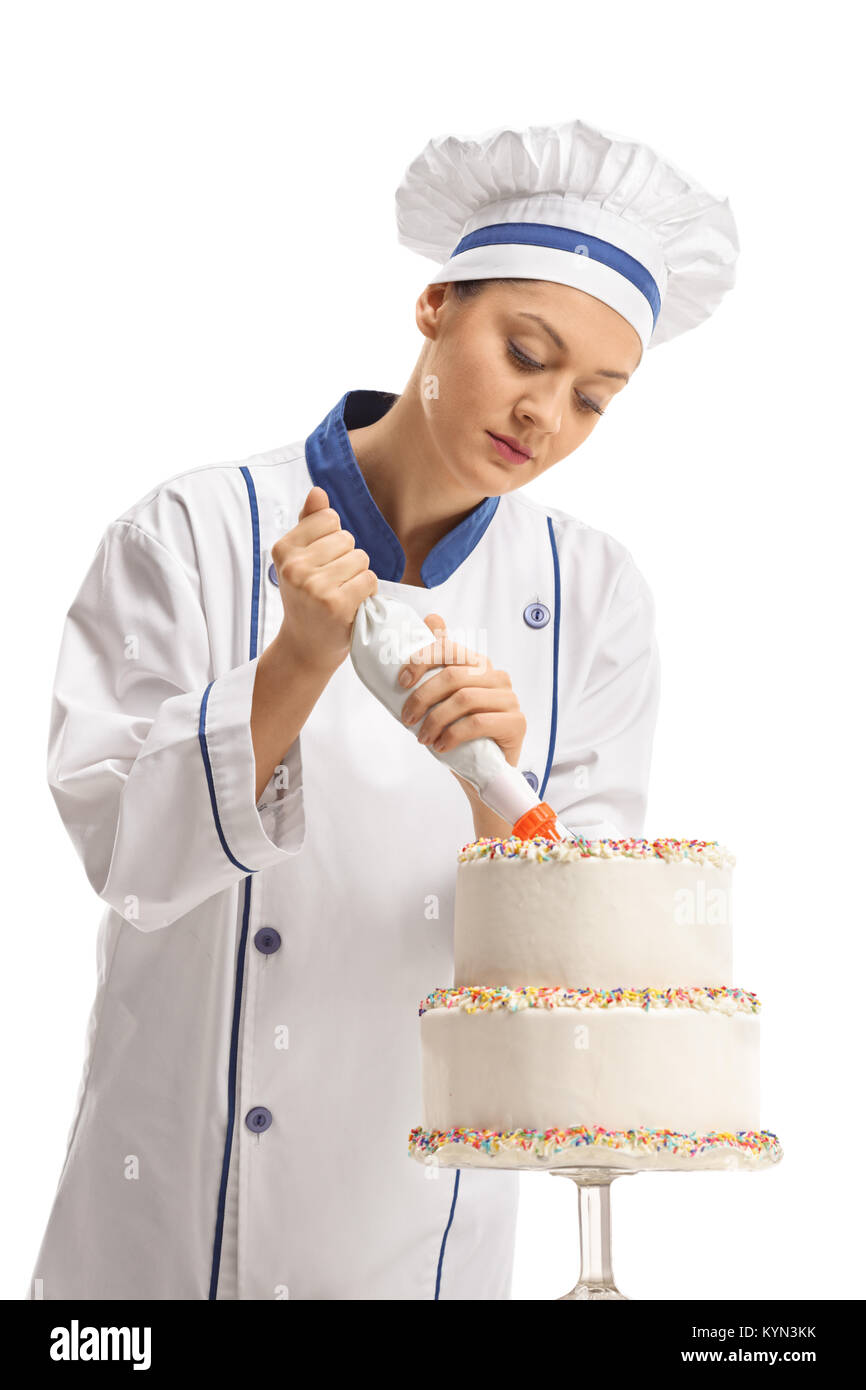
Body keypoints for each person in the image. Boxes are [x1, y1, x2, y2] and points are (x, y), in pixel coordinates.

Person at [27, 117, 738, 1300]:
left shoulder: (593, 593)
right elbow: (125, 854)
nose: (543, 416)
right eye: (524, 351)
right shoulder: (193, 530)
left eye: (592, 398)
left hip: (430, 1232)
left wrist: (489, 784)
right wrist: (294, 663)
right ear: (434, 309)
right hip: (175, 1221)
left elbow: (589, 972)